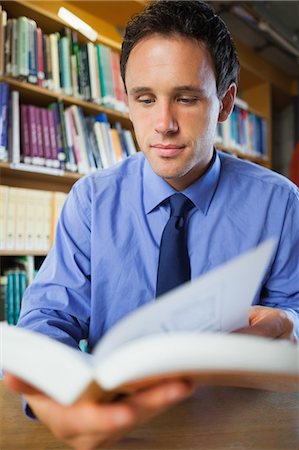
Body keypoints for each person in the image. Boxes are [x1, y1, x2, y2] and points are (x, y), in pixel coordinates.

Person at [4, 1, 299, 448]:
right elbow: (47, 317)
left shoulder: (280, 202)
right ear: (128, 101)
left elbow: (294, 311)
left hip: (239, 427)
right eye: (145, 99)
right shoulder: (91, 200)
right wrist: (54, 394)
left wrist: (288, 325)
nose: (163, 125)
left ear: (225, 103)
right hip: (122, 430)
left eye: (185, 98)